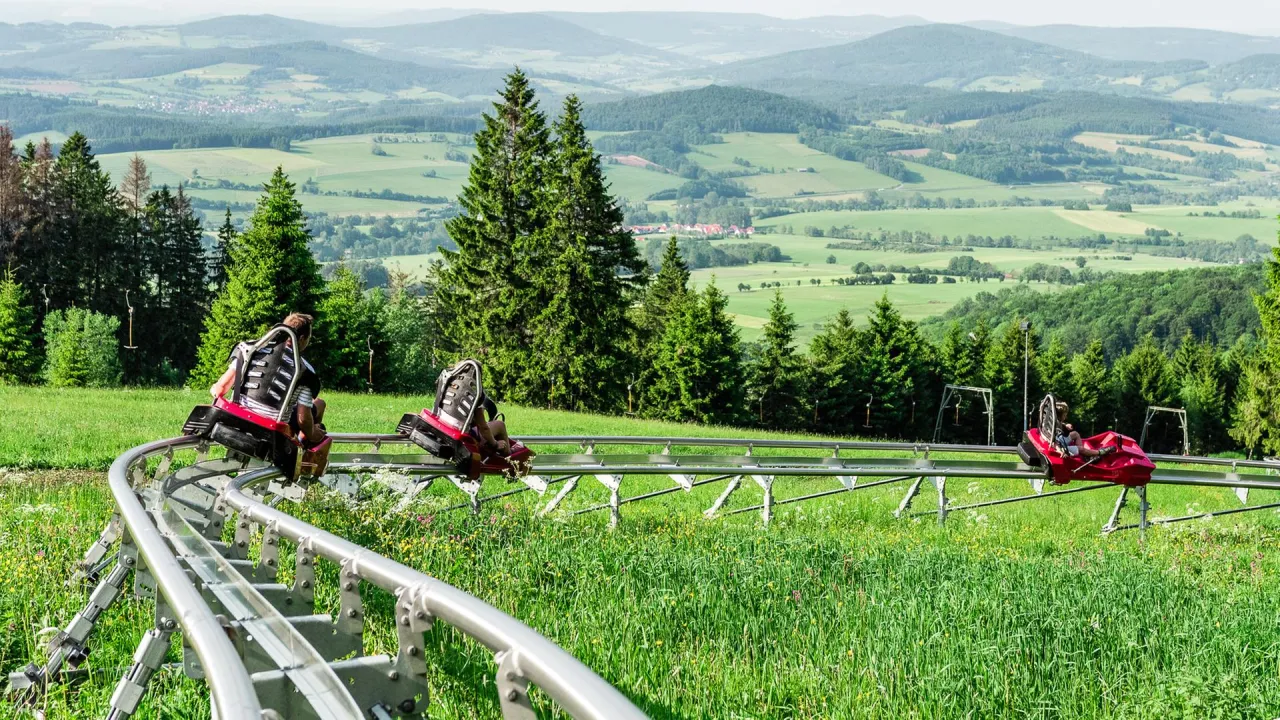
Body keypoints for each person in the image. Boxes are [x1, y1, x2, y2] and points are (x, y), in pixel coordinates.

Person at [210, 313, 326, 448]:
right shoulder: (305, 371)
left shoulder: (250, 349)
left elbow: (220, 389)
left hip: (238, 418)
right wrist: (313, 433)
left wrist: (214, 389)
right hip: (273, 429)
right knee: (320, 404)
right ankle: (304, 449)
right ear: (301, 339)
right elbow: (303, 419)